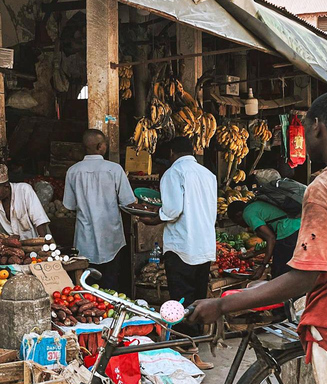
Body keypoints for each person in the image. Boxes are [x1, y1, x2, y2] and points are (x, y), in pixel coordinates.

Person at [190, 91, 327, 384]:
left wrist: (221, 305)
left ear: (317, 126)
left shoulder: (325, 186)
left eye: (306, 128)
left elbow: (304, 278)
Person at [139, 136, 217, 370]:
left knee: (180, 303)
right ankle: (196, 351)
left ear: (172, 151)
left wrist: (152, 217)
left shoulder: (173, 173)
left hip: (182, 246)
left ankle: (187, 354)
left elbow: (172, 210)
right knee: (197, 300)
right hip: (203, 245)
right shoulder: (207, 174)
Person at [60, 129, 136, 291]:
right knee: (111, 286)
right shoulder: (114, 169)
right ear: (101, 146)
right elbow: (128, 202)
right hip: (111, 239)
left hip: (84, 240)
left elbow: (69, 206)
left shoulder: (73, 171)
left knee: (86, 287)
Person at [226, 199, 300, 280]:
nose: (240, 225)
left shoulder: (247, 214)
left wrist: (262, 266)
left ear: (238, 215)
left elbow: (271, 239)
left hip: (289, 230)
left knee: (280, 273)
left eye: (237, 222)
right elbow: (273, 243)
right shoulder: (253, 206)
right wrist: (255, 253)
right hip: (297, 228)